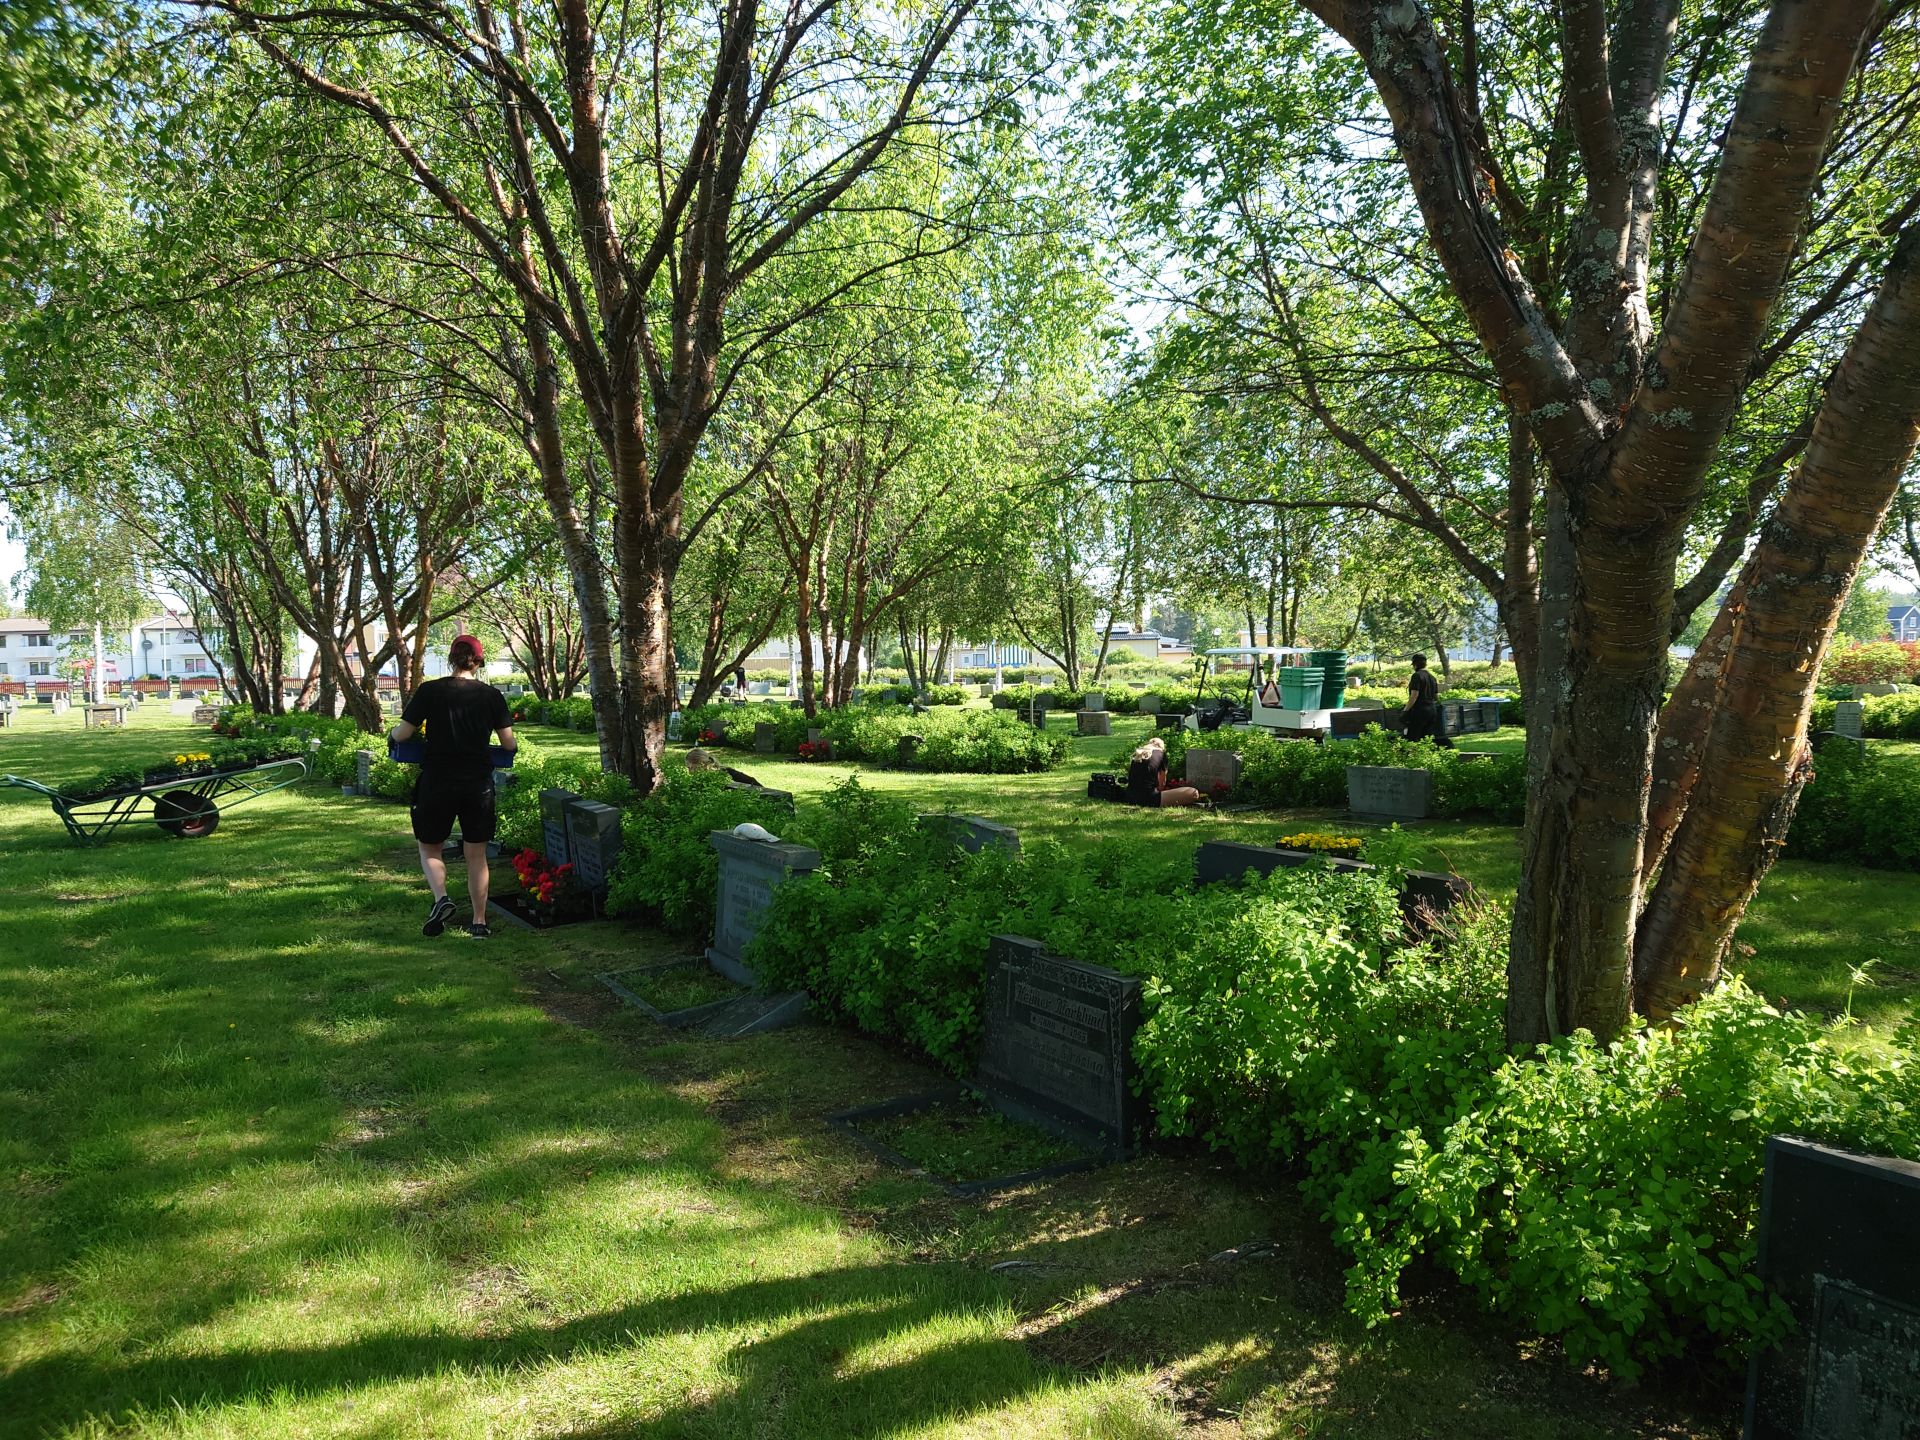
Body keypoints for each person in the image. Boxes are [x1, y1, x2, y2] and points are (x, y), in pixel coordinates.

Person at [390, 634, 516, 937]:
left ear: (450, 658)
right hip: (478, 785)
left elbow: (403, 734)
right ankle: (479, 922)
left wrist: (393, 735)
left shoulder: (430, 691)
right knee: (476, 854)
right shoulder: (491, 696)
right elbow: (508, 743)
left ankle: (442, 898)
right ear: (479, 661)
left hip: (438, 781)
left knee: (430, 848)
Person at [1125, 736, 1204, 807]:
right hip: (1148, 799)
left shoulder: (1138, 755)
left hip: (1130, 797)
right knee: (1193, 792)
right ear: (1161, 747)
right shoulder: (1161, 754)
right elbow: (1162, 784)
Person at [1401, 653, 1453, 747]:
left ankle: (1413, 756)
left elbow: (1414, 696)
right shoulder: (1432, 677)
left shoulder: (1417, 676)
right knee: (1427, 737)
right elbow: (1436, 697)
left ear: (1415, 664)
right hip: (1432, 711)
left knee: (1413, 737)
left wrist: (1405, 710)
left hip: (1420, 711)